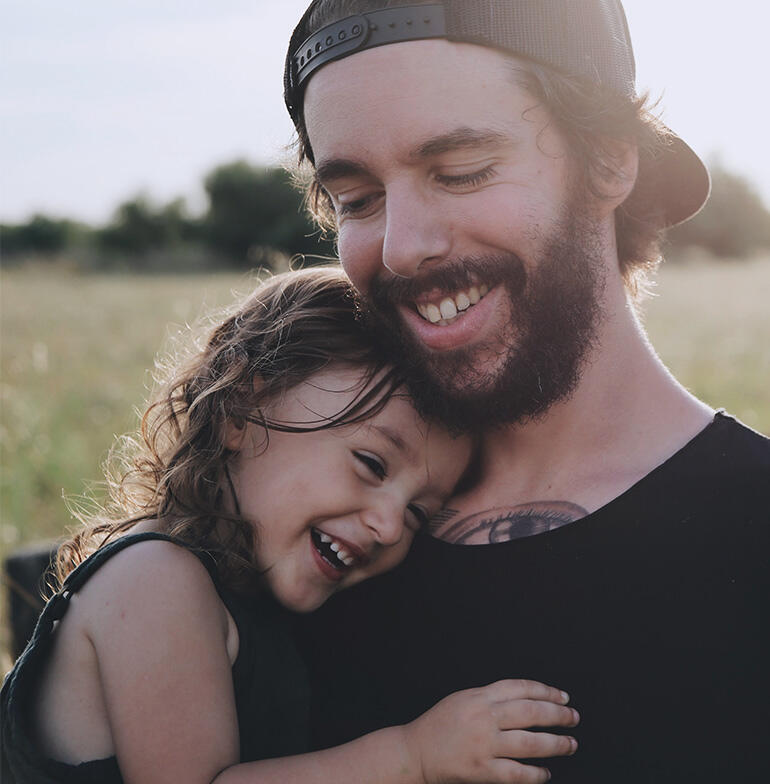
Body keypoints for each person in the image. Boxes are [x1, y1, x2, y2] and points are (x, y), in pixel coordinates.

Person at [283, 0, 770, 781]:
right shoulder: (304, 525)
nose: (401, 248)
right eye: (357, 200)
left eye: (461, 171)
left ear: (611, 160)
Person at [1, 266, 580, 784]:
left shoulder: (246, 601)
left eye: (416, 513)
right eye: (371, 464)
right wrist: (412, 757)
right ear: (240, 408)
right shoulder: (155, 579)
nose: (386, 526)